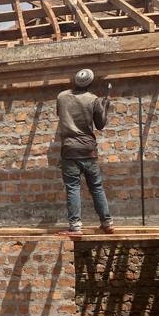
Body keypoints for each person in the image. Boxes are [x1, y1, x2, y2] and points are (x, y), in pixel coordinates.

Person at [56, 68, 115, 237]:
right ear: (90, 83)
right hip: (88, 150)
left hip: (69, 150)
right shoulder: (93, 99)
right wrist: (105, 107)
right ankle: (107, 223)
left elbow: (61, 115)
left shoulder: (61, 97)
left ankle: (75, 227)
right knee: (96, 187)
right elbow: (100, 125)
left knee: (73, 188)